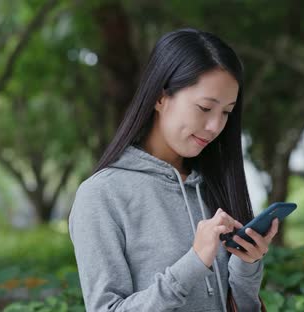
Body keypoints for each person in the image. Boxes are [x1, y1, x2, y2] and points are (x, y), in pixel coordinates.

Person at [69, 28, 279, 312]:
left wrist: (247, 265)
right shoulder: (102, 195)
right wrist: (194, 262)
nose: (216, 126)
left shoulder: (213, 186)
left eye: (226, 112)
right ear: (160, 97)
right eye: (205, 108)